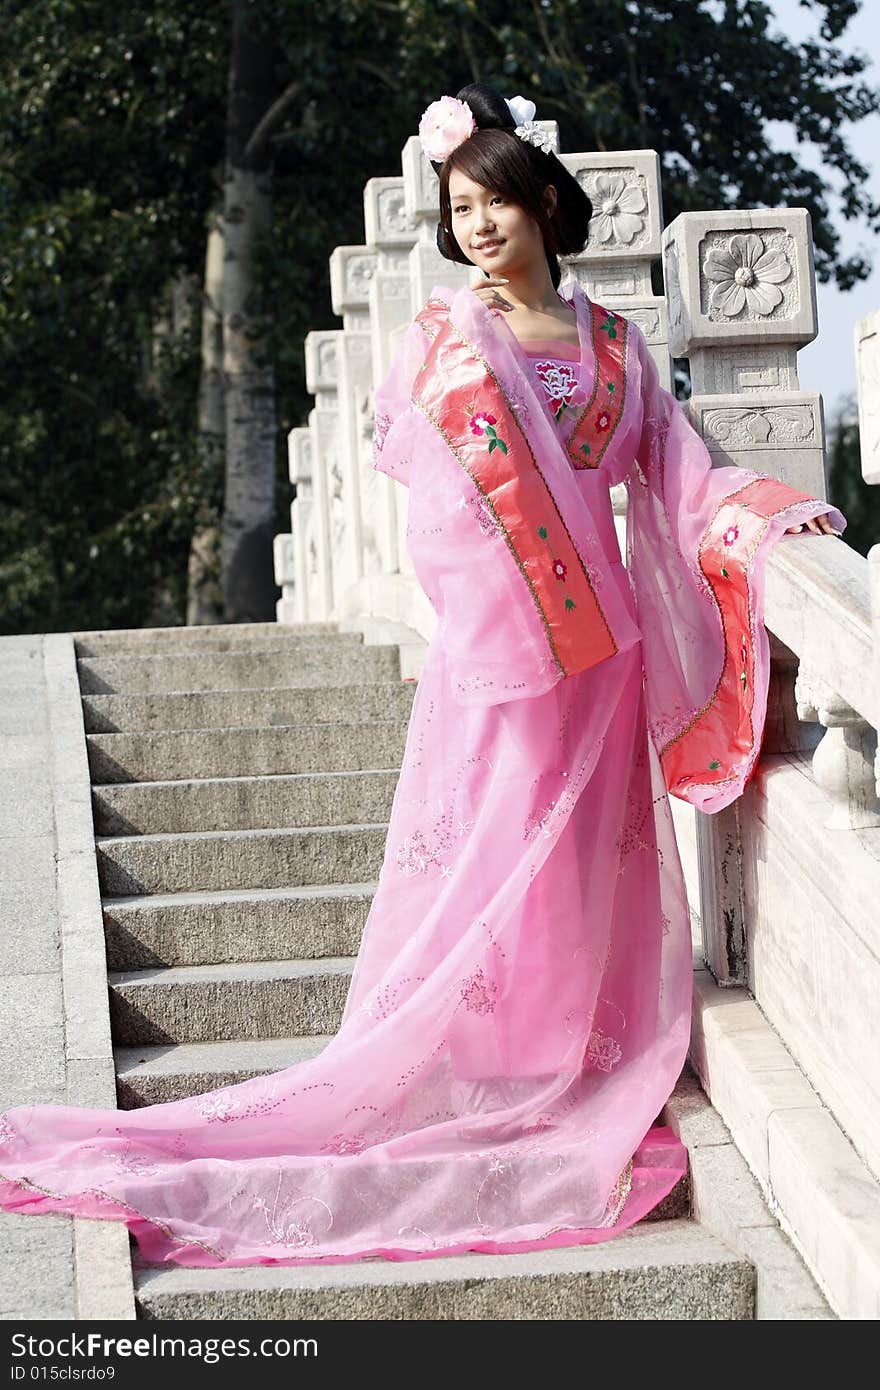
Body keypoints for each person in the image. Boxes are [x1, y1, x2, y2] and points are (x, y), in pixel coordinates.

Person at [0, 84, 846, 1270]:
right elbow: (439, 499)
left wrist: (757, 521)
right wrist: (519, 620)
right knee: (499, 849)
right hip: (510, 647)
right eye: (461, 209)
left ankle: (566, 1051)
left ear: (546, 202)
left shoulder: (616, 343)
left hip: (603, 651)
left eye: (496, 200)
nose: (481, 225)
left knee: (579, 853)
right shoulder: (452, 338)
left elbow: (676, 471)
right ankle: (489, 1060)